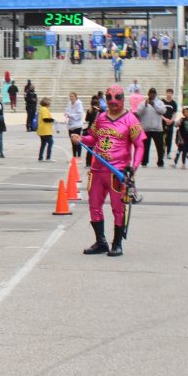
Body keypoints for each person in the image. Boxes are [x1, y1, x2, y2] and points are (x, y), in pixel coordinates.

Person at [74, 84, 145, 257]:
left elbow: (140, 145)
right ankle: (101, 242)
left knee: (118, 208)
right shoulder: (100, 118)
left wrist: (133, 167)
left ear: (123, 98)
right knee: (94, 205)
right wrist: (81, 138)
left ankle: (117, 244)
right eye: (109, 97)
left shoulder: (131, 120)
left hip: (117, 172)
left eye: (117, 97)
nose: (113, 101)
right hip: (97, 170)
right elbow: (93, 139)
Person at [136, 88, 166, 167]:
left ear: (155, 94)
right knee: (145, 147)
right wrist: (145, 106)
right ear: (148, 94)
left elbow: (163, 111)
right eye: (151, 93)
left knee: (160, 146)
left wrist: (154, 105)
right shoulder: (143, 103)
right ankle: (144, 161)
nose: (152, 95)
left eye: (153, 93)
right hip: (146, 129)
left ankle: (160, 161)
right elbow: (138, 113)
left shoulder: (160, 103)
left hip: (157, 129)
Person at [65, 92, 85, 159]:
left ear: (76, 97)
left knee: (77, 142)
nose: (71, 98)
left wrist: (70, 115)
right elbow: (66, 111)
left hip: (77, 126)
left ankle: (79, 156)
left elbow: (79, 115)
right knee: (72, 142)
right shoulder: (69, 103)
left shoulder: (79, 104)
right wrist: (66, 114)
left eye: (72, 96)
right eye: (70, 96)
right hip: (70, 126)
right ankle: (74, 156)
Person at [83, 95, 102, 168]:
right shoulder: (100, 112)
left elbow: (86, 119)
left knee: (90, 147)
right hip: (98, 131)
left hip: (90, 130)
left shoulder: (89, 111)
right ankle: (97, 163)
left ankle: (88, 163)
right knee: (99, 148)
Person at [161, 89, 178, 162]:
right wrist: (165, 119)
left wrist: (171, 120)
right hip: (162, 122)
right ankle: (162, 152)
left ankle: (168, 153)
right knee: (162, 138)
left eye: (171, 93)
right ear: (166, 93)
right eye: (168, 93)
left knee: (169, 138)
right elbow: (159, 113)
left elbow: (174, 114)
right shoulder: (162, 102)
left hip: (170, 123)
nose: (169, 94)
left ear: (172, 94)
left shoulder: (174, 103)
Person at [37, 97, 55, 161]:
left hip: (42, 130)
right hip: (45, 130)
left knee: (43, 144)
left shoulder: (42, 109)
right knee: (51, 142)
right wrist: (52, 120)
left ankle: (40, 157)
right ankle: (48, 157)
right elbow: (45, 119)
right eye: (49, 102)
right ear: (46, 103)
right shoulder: (44, 109)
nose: (50, 103)